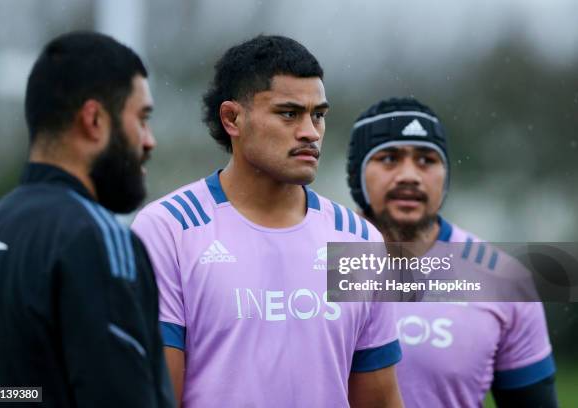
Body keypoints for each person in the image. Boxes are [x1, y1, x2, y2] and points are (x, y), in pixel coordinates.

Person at [132, 35, 403, 407]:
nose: (310, 132)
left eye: (318, 115)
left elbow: (379, 401)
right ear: (232, 118)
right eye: (289, 113)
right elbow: (157, 398)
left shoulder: (355, 239)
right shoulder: (168, 230)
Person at [0, 31, 175, 407]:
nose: (149, 140)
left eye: (319, 115)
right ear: (94, 119)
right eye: (142, 119)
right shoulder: (100, 240)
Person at [346, 97, 558, 407]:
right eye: (389, 158)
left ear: (446, 176)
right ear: (356, 174)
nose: (410, 175)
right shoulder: (314, 262)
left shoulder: (501, 278)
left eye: (426, 160)